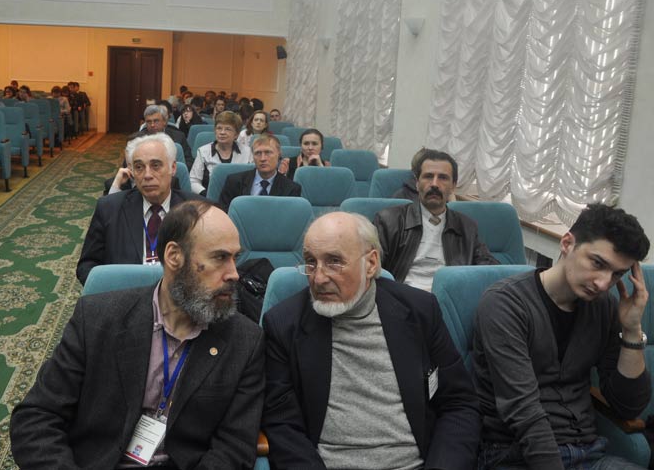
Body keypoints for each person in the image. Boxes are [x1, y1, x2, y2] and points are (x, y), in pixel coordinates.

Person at [13, 201, 265, 469]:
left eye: (235, 258)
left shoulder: (245, 341)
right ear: (174, 256)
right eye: (220, 257)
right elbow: (36, 418)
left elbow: (234, 446)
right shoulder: (97, 319)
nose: (234, 274)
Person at [261, 211, 481, 469]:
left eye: (334, 262)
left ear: (371, 263)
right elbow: (281, 424)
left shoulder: (420, 312)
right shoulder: (284, 325)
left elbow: (459, 404)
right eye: (311, 262)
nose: (318, 278)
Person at [473, 203, 651, 470]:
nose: (604, 283)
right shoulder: (505, 305)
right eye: (598, 263)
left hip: (588, 454)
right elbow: (523, 412)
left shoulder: (603, 307)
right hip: (516, 455)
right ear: (567, 243)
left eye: (617, 274)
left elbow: (628, 406)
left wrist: (631, 330)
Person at [77, 133, 203, 285]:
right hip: (125, 293)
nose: (147, 175)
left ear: (173, 168)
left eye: (156, 166)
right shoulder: (109, 209)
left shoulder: (199, 211)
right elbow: (87, 266)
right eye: (139, 167)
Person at [373, 149, 497, 290]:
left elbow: (488, 267)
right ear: (417, 183)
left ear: (453, 186)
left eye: (443, 178)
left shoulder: (466, 227)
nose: (435, 184)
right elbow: (371, 267)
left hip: (449, 296)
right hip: (403, 295)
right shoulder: (388, 221)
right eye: (428, 176)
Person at [219, 134, 301, 211]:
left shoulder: (291, 188)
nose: (262, 158)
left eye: (268, 152)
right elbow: (223, 213)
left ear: (279, 154)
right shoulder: (234, 182)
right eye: (258, 153)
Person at [190, 111, 252, 196]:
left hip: (239, 198)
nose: (222, 132)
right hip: (209, 198)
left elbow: (253, 180)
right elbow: (193, 181)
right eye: (219, 128)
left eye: (227, 129)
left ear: (236, 134)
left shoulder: (247, 152)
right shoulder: (203, 151)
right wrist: (206, 194)